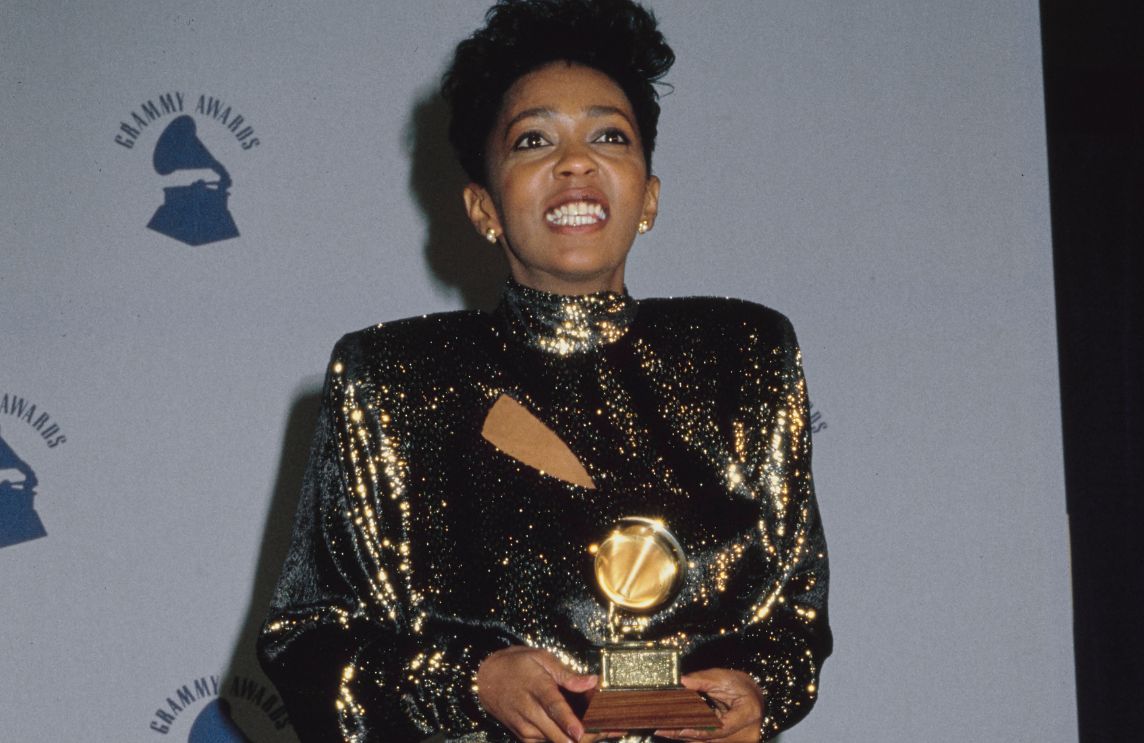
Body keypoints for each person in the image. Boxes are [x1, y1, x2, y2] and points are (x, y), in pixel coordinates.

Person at [257, 1, 831, 741]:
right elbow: (307, 642)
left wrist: (763, 689)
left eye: (608, 135)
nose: (574, 162)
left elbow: (794, 615)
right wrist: (469, 680)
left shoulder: (744, 355)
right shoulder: (395, 380)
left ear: (648, 194)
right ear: (482, 205)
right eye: (533, 140)